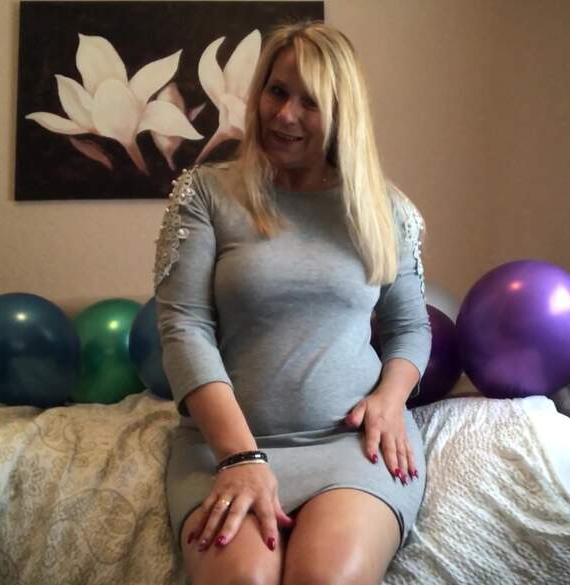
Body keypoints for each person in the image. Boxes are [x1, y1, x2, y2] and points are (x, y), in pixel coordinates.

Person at [153, 21, 431, 585]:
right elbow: (184, 327)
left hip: (352, 449)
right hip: (223, 448)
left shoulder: (384, 208)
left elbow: (410, 327)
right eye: (277, 91)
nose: (285, 115)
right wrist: (239, 457)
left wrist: (389, 399)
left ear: (342, 112)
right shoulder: (205, 192)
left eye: (311, 101)